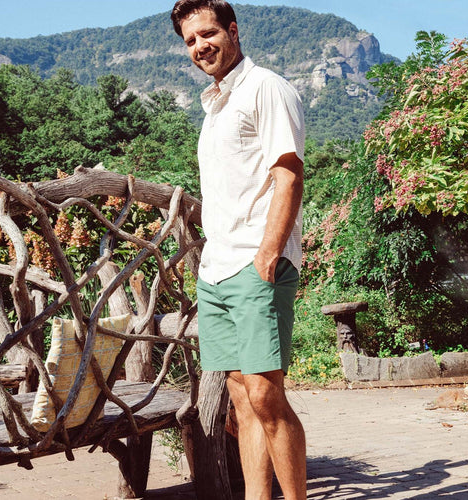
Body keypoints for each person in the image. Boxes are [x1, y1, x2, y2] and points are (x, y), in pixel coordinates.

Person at [171, 1, 306, 498]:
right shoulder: (215, 104)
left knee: (266, 397)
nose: (200, 46)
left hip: (256, 263)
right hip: (217, 270)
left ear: (232, 30)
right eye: (190, 40)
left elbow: (288, 174)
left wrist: (268, 254)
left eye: (208, 33)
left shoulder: (265, 87)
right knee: (242, 401)